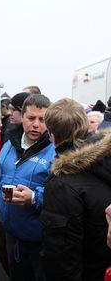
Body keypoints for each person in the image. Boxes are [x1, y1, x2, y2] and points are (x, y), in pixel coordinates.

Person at [40, 98, 111, 281]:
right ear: (86, 127)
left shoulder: (62, 185)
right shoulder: (106, 159)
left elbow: (61, 258)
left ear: (52, 136)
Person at [0, 94, 56, 281]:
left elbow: (63, 195)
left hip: (40, 242)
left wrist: (35, 198)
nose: (36, 124)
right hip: (12, 236)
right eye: (31, 118)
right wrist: (0, 210)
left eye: (42, 119)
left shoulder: (56, 151)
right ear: (22, 117)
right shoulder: (8, 145)